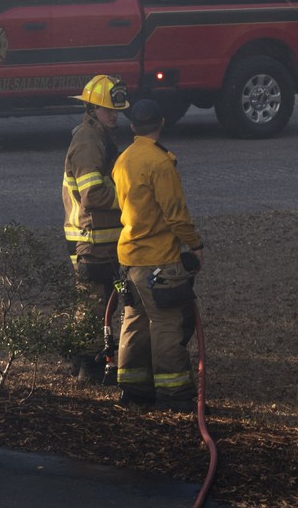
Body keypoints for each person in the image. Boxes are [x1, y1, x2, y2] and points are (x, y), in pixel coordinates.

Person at [112, 97, 205, 410]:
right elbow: (176, 213)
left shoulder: (123, 160)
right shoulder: (160, 163)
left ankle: (134, 390)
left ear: (133, 126)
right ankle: (174, 395)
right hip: (158, 260)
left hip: (129, 259)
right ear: (162, 123)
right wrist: (195, 245)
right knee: (167, 324)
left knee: (134, 322)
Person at [63, 74, 128, 378]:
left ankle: (86, 362)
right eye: (107, 109)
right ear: (90, 108)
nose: (114, 114)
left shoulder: (100, 136)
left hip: (101, 241)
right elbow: (92, 194)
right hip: (91, 242)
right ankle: (86, 369)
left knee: (101, 306)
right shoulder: (88, 142)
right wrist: (130, 195)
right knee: (93, 309)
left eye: (116, 110)